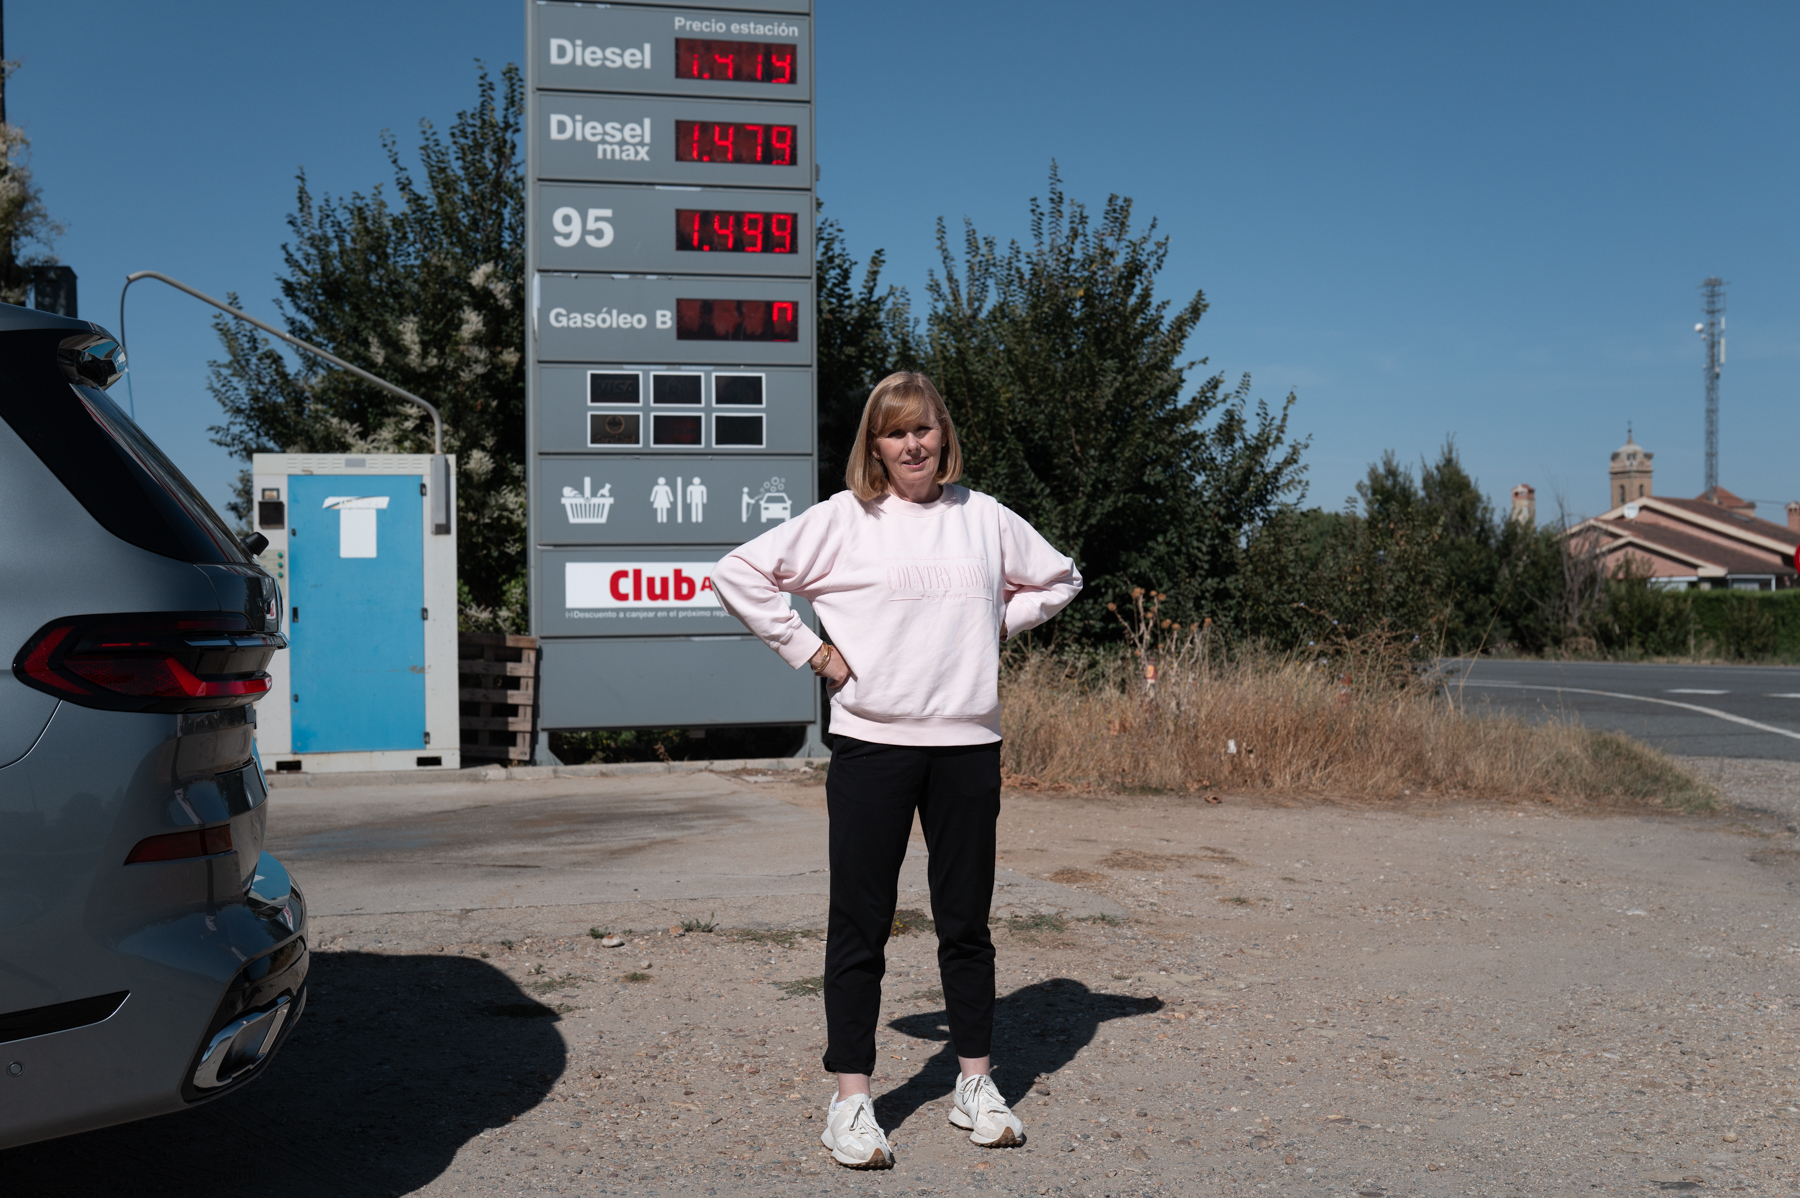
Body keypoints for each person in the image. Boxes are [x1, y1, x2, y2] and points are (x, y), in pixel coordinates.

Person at [714, 372, 1082, 1169]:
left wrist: (994, 627)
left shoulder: (983, 518)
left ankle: (974, 1085)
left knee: (966, 924)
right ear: (874, 445)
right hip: (872, 747)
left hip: (966, 746)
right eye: (895, 432)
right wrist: (810, 650)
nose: (913, 444)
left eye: (925, 429)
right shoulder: (845, 520)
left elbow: (1060, 577)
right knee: (860, 923)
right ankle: (851, 1100)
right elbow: (737, 573)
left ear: (944, 436)